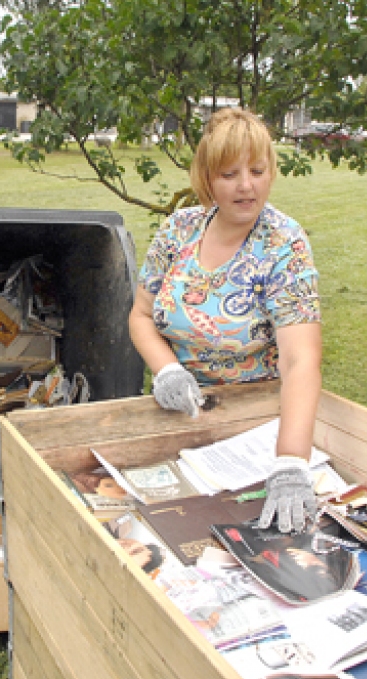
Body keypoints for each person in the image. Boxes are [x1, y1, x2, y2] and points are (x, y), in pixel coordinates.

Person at [129, 107, 322, 534]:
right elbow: (141, 315)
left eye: (257, 170)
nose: (246, 185)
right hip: (177, 416)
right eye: (230, 174)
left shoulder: (284, 245)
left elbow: (300, 360)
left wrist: (291, 461)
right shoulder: (178, 230)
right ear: (207, 178)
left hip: (252, 427)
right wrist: (167, 371)